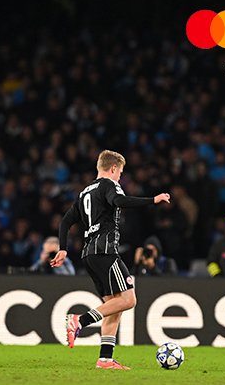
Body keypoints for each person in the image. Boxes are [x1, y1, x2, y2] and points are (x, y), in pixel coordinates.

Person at [51, 150, 170, 369]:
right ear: (113, 168)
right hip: (105, 251)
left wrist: (63, 249)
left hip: (89, 254)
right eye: (120, 173)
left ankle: (105, 359)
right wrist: (153, 199)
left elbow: (65, 222)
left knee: (114, 306)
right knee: (129, 299)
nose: (120, 178)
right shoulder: (108, 184)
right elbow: (119, 200)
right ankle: (80, 321)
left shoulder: (84, 193)